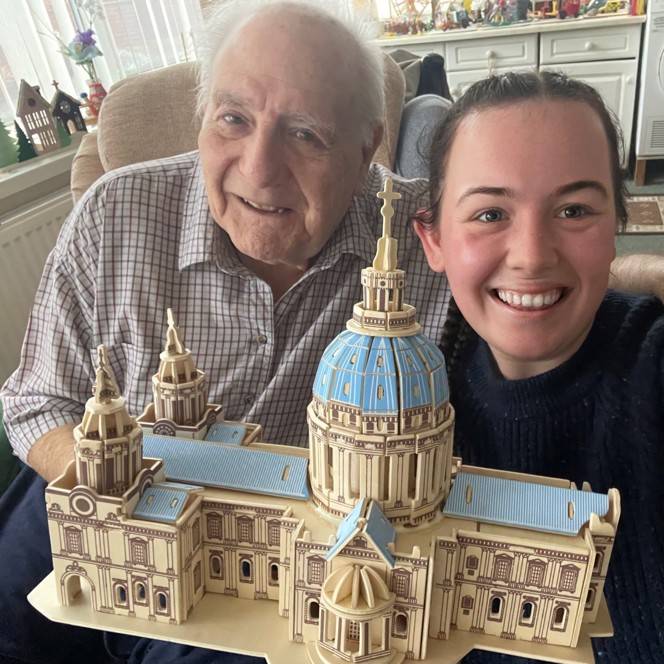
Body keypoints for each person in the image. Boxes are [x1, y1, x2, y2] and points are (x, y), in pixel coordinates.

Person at [0, 1, 452, 663]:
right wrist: (131, 495)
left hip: (288, 549)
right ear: (202, 118)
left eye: (305, 134)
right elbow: (38, 402)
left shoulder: (428, 236)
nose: (258, 166)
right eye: (233, 118)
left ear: (364, 154)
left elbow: (548, 263)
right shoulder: (112, 214)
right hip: (98, 485)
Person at [414, 70, 664, 662]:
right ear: (433, 240)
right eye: (490, 214)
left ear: (617, 233)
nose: (531, 255)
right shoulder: (417, 391)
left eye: (574, 210)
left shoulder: (651, 366)